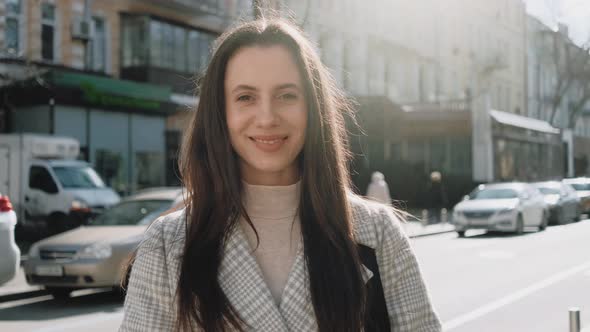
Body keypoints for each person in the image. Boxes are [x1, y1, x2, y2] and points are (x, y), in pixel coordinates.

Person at [120, 17, 441, 332]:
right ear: (221, 112)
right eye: (245, 97)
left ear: (313, 107)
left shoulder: (376, 233)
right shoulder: (170, 243)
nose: (267, 117)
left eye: (287, 95)